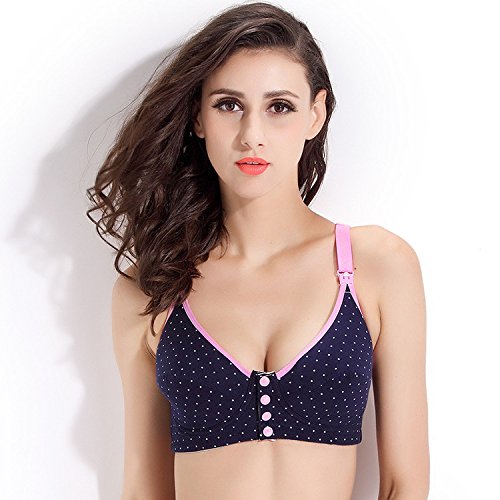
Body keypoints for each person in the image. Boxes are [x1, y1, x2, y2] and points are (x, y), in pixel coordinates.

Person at [86, 2, 429, 499]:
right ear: (198, 118)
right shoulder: (152, 285)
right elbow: (144, 487)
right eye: (228, 105)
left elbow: (405, 484)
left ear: (315, 114)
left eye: (279, 107)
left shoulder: (374, 265)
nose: (252, 136)